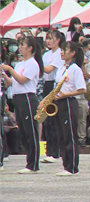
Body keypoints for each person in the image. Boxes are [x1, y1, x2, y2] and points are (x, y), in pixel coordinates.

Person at [39, 41, 86, 176]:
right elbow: (55, 88)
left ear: (73, 53)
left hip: (69, 102)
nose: (62, 52)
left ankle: (72, 167)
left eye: (65, 50)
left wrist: (66, 94)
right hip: (58, 103)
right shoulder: (61, 69)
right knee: (61, 135)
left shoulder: (75, 69)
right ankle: (66, 165)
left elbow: (82, 89)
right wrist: (44, 100)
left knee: (69, 136)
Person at [1, 36, 44, 174]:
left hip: (27, 97)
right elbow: (12, 82)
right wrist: (4, 74)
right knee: (24, 131)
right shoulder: (20, 64)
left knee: (31, 131)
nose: (20, 47)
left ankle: (33, 163)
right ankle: (29, 161)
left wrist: (10, 69)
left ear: (30, 48)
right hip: (18, 97)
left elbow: (22, 79)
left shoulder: (32, 63)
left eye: (23, 45)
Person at [40, 30, 65, 163]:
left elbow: (49, 69)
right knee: (47, 120)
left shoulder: (59, 53)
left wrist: (37, 61)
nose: (48, 41)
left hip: (54, 84)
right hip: (46, 84)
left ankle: (55, 152)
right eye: (47, 38)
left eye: (51, 38)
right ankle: (49, 151)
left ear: (58, 40)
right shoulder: (46, 54)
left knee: (53, 119)